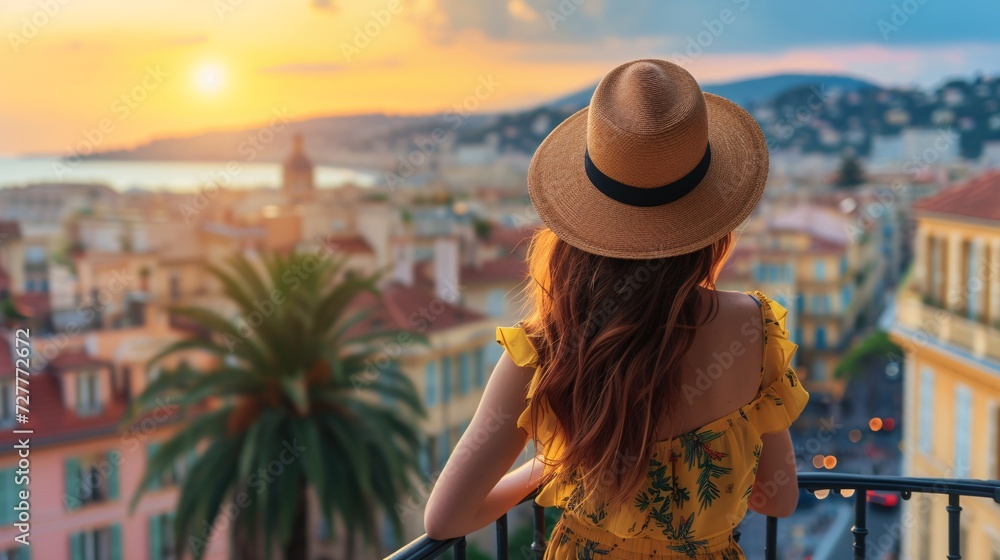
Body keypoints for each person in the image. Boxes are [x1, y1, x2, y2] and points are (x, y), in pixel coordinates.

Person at [425, 59, 810, 559]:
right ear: (713, 226)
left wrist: (555, 463)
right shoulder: (755, 330)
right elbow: (778, 499)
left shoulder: (544, 350)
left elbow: (446, 518)